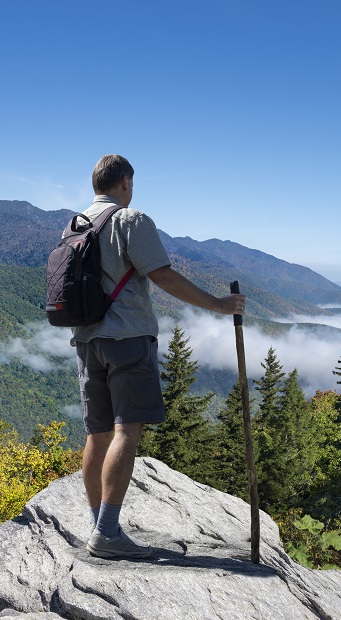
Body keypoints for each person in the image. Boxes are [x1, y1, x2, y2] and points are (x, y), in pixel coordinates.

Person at [73, 154, 245, 559]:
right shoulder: (130, 220)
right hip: (128, 338)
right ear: (125, 183)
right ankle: (108, 534)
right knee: (125, 432)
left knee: (96, 434)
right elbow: (163, 274)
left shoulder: (76, 224)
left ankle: (99, 526)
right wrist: (219, 305)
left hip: (85, 341)